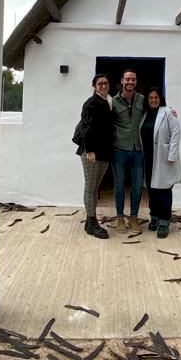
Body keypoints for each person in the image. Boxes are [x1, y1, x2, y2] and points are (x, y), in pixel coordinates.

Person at [74, 73, 113, 239]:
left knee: (95, 187)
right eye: (100, 84)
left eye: (105, 83)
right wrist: (89, 150)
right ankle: (91, 223)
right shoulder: (91, 103)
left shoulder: (108, 101)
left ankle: (91, 221)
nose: (103, 86)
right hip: (92, 153)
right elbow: (85, 128)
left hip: (104, 152)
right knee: (90, 188)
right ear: (94, 86)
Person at [140, 87, 181, 238]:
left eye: (156, 97)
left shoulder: (168, 113)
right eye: (150, 98)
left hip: (164, 158)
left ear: (160, 99)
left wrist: (172, 155)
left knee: (164, 190)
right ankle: (155, 217)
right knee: (152, 190)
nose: (153, 100)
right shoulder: (144, 114)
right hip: (148, 158)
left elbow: (176, 133)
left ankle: (164, 221)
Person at [111, 68, 145, 230]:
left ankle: (133, 217)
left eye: (133, 79)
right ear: (122, 81)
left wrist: (169, 112)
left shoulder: (142, 100)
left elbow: (156, 110)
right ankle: (120, 218)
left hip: (138, 150)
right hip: (119, 149)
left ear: (136, 82)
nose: (130, 82)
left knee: (137, 186)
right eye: (128, 79)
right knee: (119, 185)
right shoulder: (112, 102)